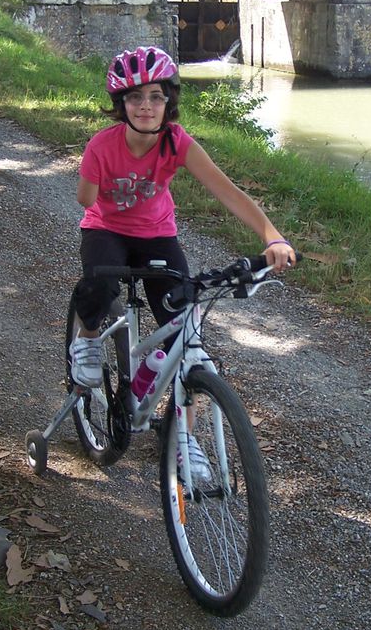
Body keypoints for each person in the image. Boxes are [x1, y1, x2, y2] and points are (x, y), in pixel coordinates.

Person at [71, 46, 295, 477]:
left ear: (168, 102)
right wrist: (93, 178)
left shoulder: (177, 142)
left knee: (183, 327)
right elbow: (86, 200)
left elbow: (228, 192)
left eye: (156, 97)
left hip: (157, 235)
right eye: (135, 98)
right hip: (108, 230)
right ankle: (87, 338)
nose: (147, 106)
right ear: (122, 104)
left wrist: (272, 236)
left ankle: (184, 438)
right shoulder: (102, 145)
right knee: (99, 283)